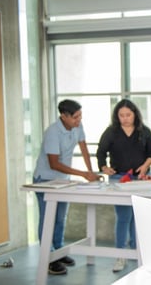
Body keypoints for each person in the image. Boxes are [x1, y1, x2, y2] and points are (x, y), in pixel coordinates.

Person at [33, 99, 102, 275]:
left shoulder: (78, 126)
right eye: (75, 117)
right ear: (64, 116)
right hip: (45, 180)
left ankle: (58, 250)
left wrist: (90, 172)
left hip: (64, 180)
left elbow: (84, 148)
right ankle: (47, 258)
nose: (79, 120)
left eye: (80, 116)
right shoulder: (52, 133)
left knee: (61, 217)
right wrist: (83, 175)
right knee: (48, 218)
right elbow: (54, 163)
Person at [96, 98, 151, 272]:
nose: (125, 118)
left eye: (128, 115)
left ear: (135, 115)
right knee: (123, 217)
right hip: (119, 179)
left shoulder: (144, 131)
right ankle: (120, 255)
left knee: (138, 216)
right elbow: (101, 152)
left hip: (141, 180)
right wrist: (104, 167)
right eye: (121, 115)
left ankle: (138, 251)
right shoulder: (111, 132)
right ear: (117, 116)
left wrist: (145, 166)